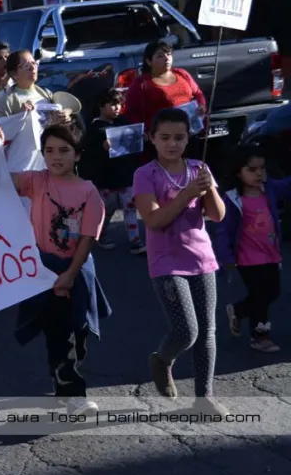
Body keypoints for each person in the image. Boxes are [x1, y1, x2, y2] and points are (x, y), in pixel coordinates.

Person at [0, 123, 109, 417]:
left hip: (77, 271)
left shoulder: (88, 192)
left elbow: (87, 238)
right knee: (60, 335)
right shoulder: (37, 181)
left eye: (64, 150)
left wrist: (70, 274)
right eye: (49, 150)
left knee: (79, 334)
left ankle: (63, 379)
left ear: (77, 155)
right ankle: (72, 395)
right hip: (45, 272)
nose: (56, 157)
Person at [133, 108, 227, 414]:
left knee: (207, 331)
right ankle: (162, 360)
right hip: (166, 263)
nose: (172, 144)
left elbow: (217, 215)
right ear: (152, 138)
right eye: (165, 137)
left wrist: (209, 188)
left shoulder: (199, 167)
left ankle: (204, 398)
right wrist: (187, 194)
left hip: (202, 259)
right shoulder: (145, 174)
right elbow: (154, 220)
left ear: (188, 138)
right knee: (187, 330)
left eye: (179, 137)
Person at [213, 145, 291, 353]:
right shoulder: (232, 199)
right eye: (252, 169)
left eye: (262, 168)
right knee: (261, 296)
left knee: (272, 292)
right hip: (247, 257)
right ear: (238, 172)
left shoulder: (269, 188)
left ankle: (238, 310)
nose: (259, 173)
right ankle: (260, 336)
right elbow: (224, 231)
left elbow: (287, 186)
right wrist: (225, 257)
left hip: (271, 254)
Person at [80, 89, 146, 254]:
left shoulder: (124, 121)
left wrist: (140, 139)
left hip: (126, 175)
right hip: (107, 179)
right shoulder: (94, 128)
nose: (117, 108)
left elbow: (132, 143)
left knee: (130, 207)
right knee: (106, 210)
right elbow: (88, 154)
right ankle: (101, 234)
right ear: (101, 106)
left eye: (119, 104)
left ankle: (135, 240)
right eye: (112, 104)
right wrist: (102, 148)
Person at [123, 40, 207, 157]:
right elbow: (132, 112)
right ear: (149, 61)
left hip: (188, 135)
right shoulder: (141, 84)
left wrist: (201, 105)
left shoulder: (182, 74)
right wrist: (144, 133)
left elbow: (198, 93)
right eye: (160, 56)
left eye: (168, 54)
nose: (167, 58)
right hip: (162, 142)